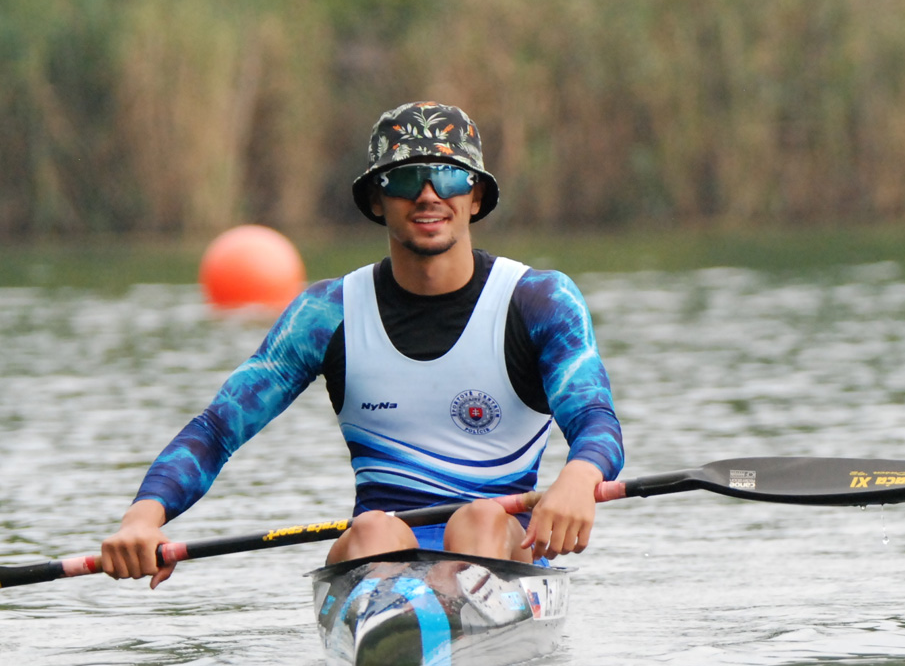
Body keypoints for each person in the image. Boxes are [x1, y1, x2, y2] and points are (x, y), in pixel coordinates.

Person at [100, 101, 624, 587]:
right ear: (377, 200)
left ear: (476, 196)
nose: (427, 195)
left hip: (503, 539)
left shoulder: (539, 299)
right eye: (404, 179)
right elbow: (218, 428)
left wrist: (580, 477)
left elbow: (595, 417)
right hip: (380, 550)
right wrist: (143, 517)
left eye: (446, 175)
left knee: (482, 518)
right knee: (374, 529)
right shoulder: (327, 314)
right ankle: (406, 635)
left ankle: (452, 651)